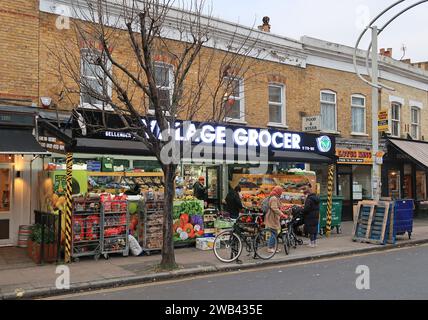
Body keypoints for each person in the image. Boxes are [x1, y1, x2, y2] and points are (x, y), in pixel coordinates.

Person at [265, 186, 287, 253]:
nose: (281, 192)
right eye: (281, 191)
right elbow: (274, 208)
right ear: (278, 191)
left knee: (274, 233)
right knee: (274, 233)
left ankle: (274, 247)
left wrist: (282, 209)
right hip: (272, 218)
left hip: (274, 217)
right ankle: (270, 247)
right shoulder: (274, 198)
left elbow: (278, 206)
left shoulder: (275, 197)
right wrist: (282, 214)